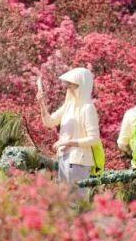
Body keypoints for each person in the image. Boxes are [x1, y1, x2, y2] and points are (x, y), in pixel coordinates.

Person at [37, 67, 100, 199]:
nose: (69, 88)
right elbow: (49, 122)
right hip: (63, 158)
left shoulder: (87, 108)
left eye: (73, 85)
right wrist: (42, 103)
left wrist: (68, 142)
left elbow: (94, 139)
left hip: (79, 161)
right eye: (69, 85)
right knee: (65, 201)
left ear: (83, 86)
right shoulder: (69, 106)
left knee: (77, 201)